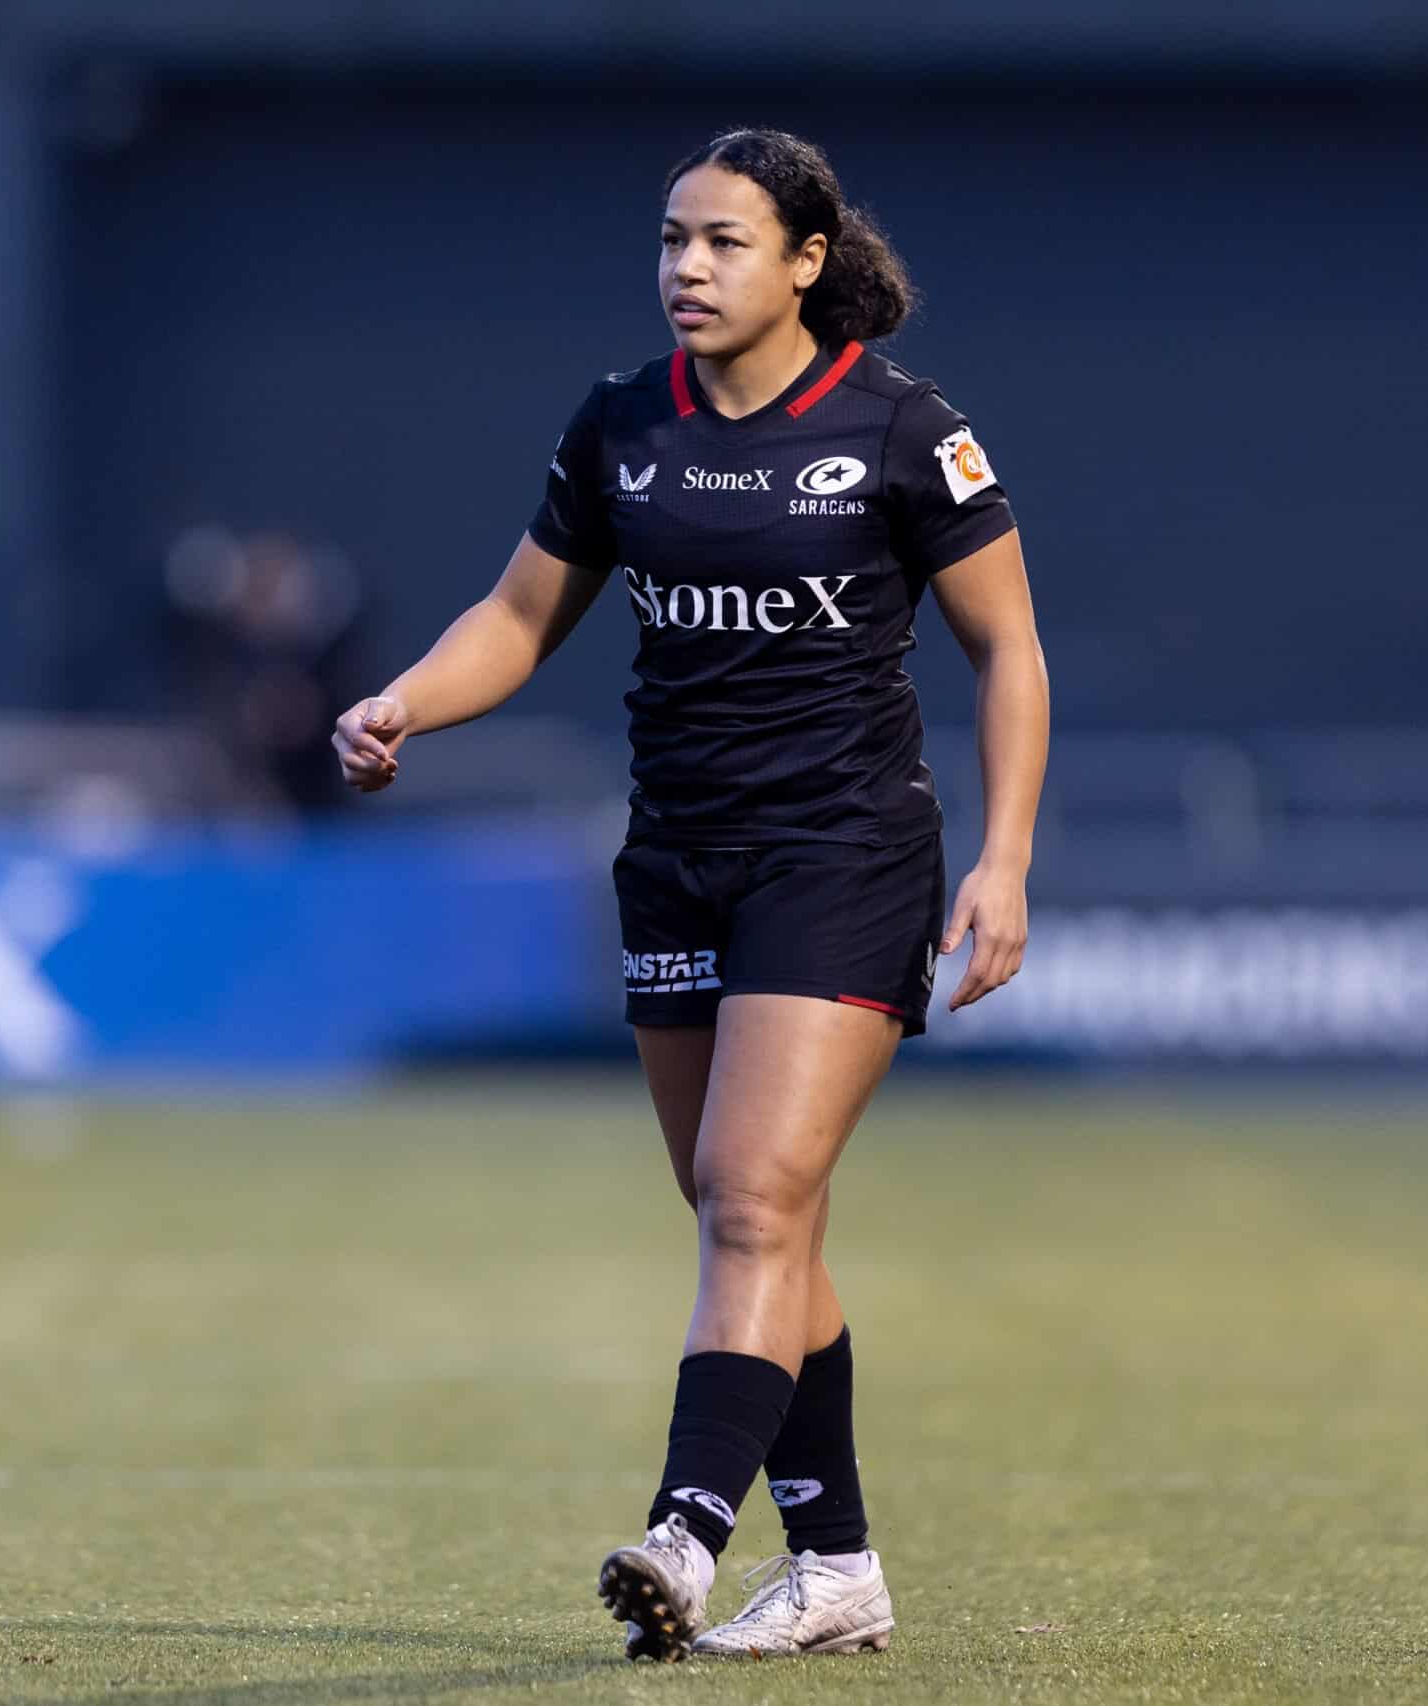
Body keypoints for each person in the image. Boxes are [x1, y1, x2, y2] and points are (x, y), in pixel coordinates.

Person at [331, 127, 1049, 1662]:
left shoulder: (902, 428)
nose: (687, 268)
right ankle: (840, 1566)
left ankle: (686, 1529)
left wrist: (1004, 857)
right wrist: (401, 701)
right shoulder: (619, 426)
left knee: (752, 1197)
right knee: (756, 1218)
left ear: (806, 262)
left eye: (724, 242)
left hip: (844, 851)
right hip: (677, 857)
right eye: (671, 239)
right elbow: (521, 617)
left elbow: (1013, 651)